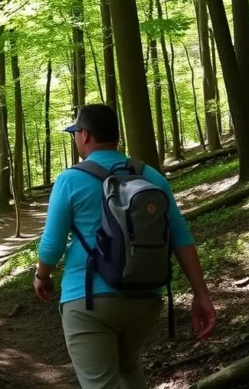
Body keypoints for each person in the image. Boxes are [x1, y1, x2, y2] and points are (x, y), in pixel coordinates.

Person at [34, 104, 217, 389]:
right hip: (145, 297)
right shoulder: (151, 177)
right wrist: (201, 294)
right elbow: (180, 235)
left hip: (87, 300)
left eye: (76, 133)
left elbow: (52, 245)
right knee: (128, 368)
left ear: (84, 135)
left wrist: (42, 276)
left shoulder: (70, 180)